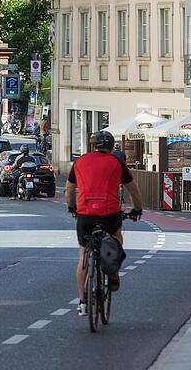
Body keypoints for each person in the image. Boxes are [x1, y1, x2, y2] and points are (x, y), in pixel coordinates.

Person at [65, 131, 143, 316]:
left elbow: (69, 188)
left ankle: (82, 301)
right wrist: (137, 209)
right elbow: (133, 189)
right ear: (111, 147)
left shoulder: (80, 162)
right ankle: (114, 271)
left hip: (85, 214)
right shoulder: (117, 163)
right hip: (109, 213)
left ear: (92, 146)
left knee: (83, 253)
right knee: (116, 236)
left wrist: (72, 207)